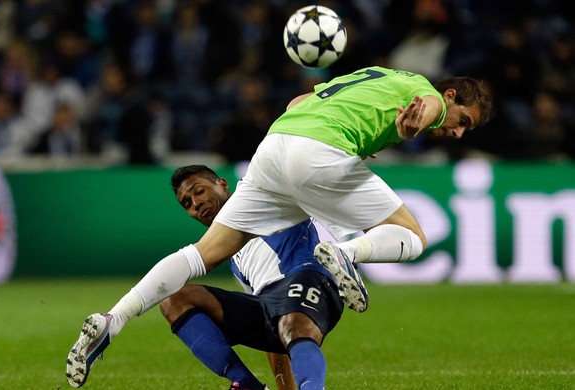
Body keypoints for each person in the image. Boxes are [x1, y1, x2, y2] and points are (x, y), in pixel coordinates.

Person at [66, 65, 493, 386]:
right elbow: (433, 106)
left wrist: (366, 136)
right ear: (451, 94)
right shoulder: (424, 92)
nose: (457, 133)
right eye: (464, 122)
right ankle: (346, 254)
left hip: (273, 147)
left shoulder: (376, 75)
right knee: (414, 237)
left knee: (201, 255)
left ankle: (115, 317)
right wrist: (425, 119)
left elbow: (296, 104)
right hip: (320, 153)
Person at [67, 165, 344, 389]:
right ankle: (246, 385)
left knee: (292, 323)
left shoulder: (262, 196)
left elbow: (299, 169)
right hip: (274, 305)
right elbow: (273, 323)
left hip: (311, 281)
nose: (196, 204)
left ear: (222, 184)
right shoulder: (230, 253)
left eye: (199, 191)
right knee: (175, 297)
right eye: (187, 203)